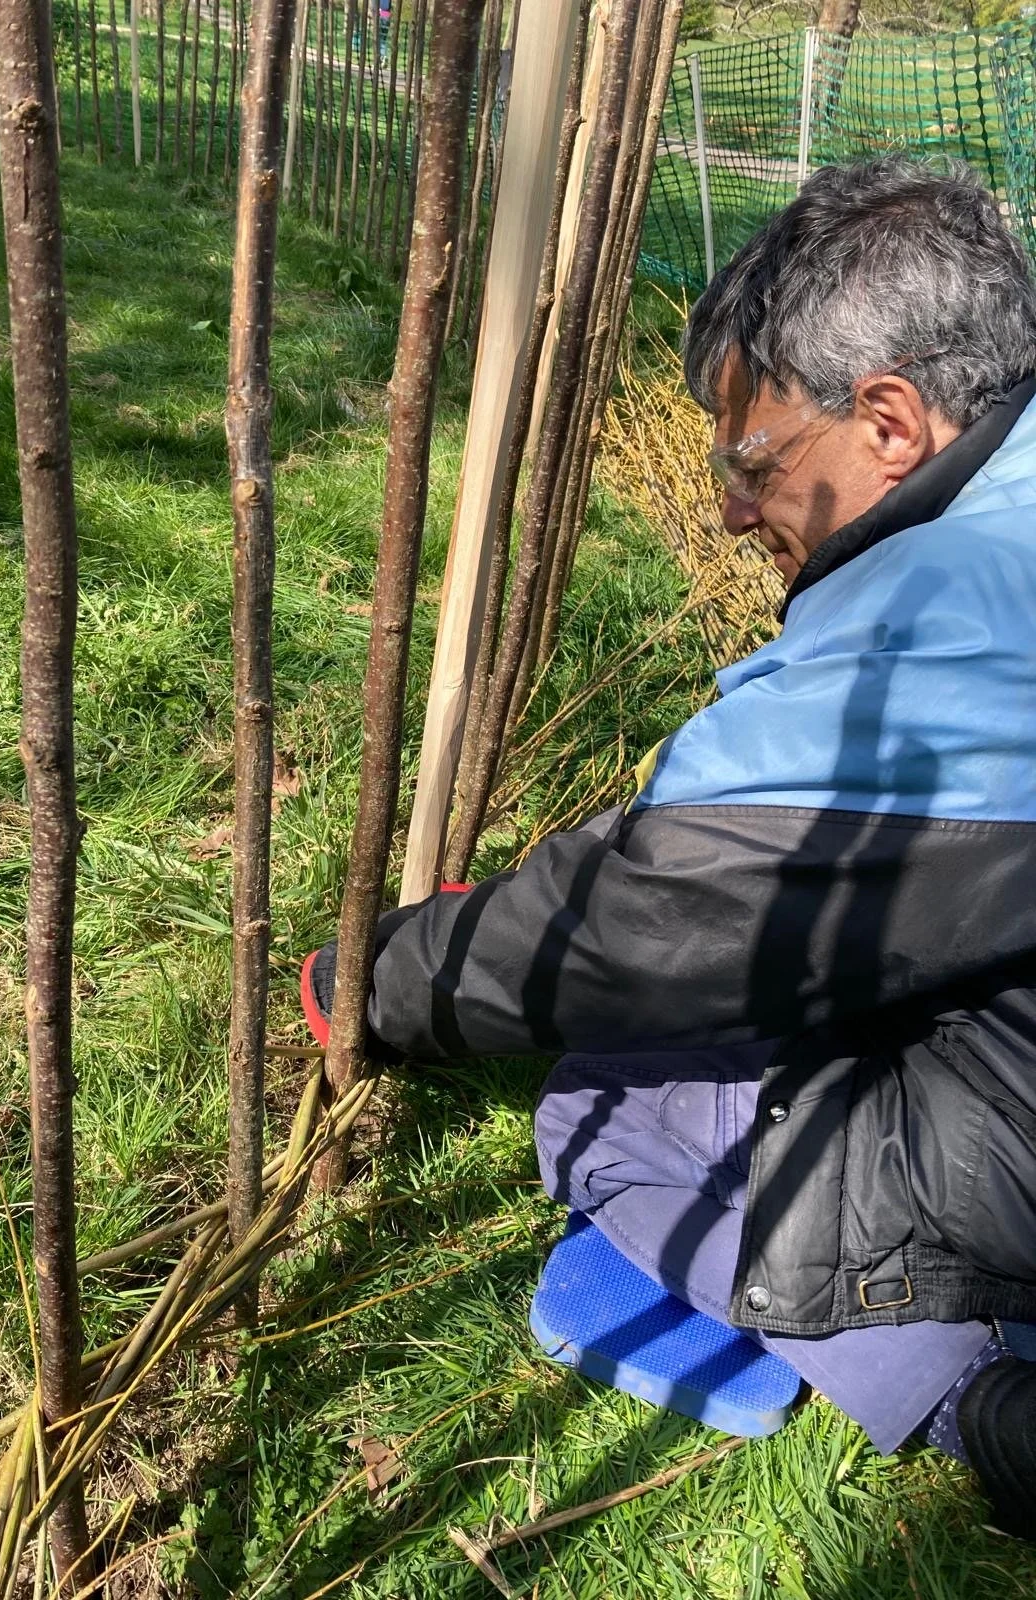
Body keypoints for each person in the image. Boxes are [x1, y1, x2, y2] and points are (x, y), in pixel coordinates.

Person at [302, 157, 1036, 1540]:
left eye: (758, 468)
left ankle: (966, 1398)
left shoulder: (944, 622)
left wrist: (384, 977)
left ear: (889, 421)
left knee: (606, 1104)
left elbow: (653, 919)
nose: (731, 514)